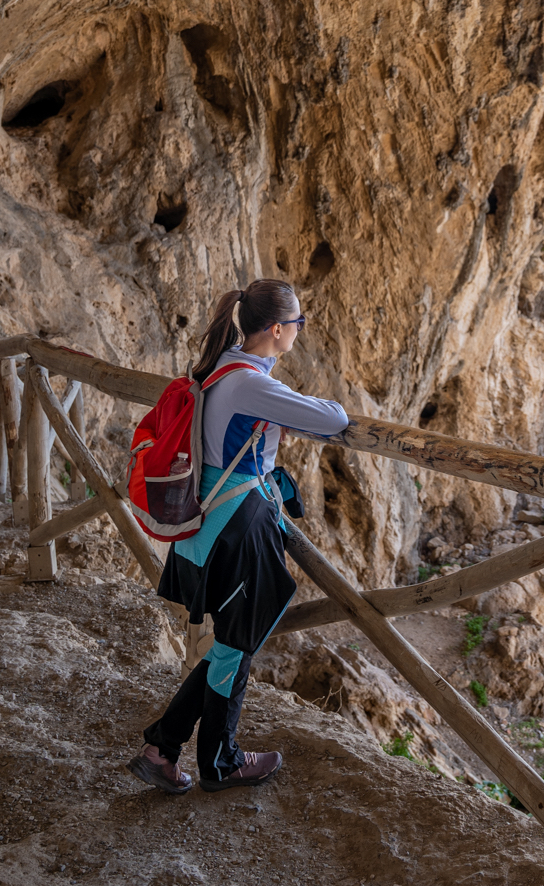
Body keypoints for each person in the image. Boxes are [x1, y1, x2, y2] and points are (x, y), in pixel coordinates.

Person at [129, 278, 348, 795]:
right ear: (276, 329)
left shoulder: (223, 364)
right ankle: (219, 763)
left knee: (230, 643)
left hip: (206, 522)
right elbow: (333, 418)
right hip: (236, 527)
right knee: (235, 645)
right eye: (298, 324)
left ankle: (162, 749)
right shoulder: (251, 383)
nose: (299, 330)